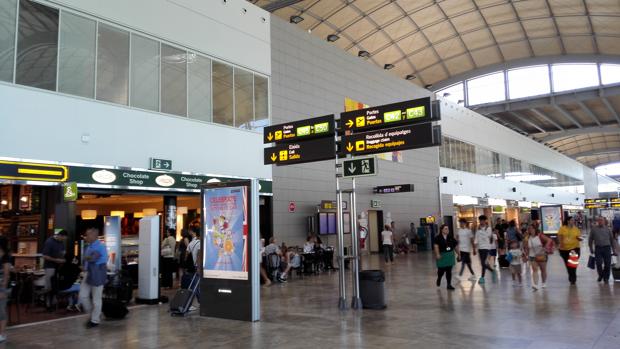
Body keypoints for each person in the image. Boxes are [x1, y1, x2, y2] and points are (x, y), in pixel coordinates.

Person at [79, 228, 108, 328]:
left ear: (94, 236)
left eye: (88, 235)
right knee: (82, 295)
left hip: (97, 274)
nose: (86, 237)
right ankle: (92, 314)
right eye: (86, 235)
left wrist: (88, 259)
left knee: (96, 298)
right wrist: (84, 266)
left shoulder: (100, 247)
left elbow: (95, 259)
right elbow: (88, 259)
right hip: (88, 273)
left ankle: (95, 320)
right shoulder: (89, 247)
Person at [42, 229, 68, 309]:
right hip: (50, 267)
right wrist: (56, 260)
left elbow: (63, 253)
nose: (63, 241)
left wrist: (64, 258)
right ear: (59, 235)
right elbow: (45, 256)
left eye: (64, 240)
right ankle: (48, 304)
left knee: (55, 286)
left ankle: (54, 303)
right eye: (62, 239)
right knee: (49, 286)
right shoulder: (49, 242)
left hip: (58, 268)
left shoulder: (61, 243)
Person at [523, 225, 553, 291]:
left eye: (531, 228)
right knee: (534, 270)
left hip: (541, 255)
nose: (530, 230)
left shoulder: (540, 236)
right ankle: (535, 284)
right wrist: (525, 255)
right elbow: (526, 247)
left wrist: (545, 247)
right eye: (529, 229)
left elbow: (549, 240)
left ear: (535, 229)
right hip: (532, 256)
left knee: (543, 269)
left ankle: (544, 282)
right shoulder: (527, 238)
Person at [588, 216, 615, 284]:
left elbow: (612, 240)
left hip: (607, 248)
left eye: (601, 220)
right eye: (599, 220)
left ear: (604, 221)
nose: (600, 222)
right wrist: (591, 248)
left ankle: (606, 277)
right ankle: (601, 275)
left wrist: (614, 250)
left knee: (607, 264)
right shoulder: (594, 229)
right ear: (597, 221)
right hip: (598, 248)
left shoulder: (608, 229)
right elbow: (590, 240)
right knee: (599, 263)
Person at [557, 216, 582, 285]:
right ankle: (571, 275)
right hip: (564, 250)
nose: (573, 221)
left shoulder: (576, 229)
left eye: (573, 220)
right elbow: (559, 236)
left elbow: (578, 237)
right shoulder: (562, 228)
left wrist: (580, 238)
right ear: (568, 221)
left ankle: (573, 278)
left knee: (573, 264)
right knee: (568, 264)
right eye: (572, 220)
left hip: (574, 248)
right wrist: (560, 244)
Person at [434, 224, 458, 290]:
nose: (447, 230)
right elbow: (436, 246)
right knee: (441, 271)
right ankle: (439, 278)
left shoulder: (450, 237)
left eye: (448, 228)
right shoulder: (437, 238)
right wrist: (437, 254)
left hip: (450, 255)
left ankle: (449, 285)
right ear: (442, 230)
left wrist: (459, 254)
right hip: (442, 255)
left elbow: (455, 246)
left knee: (449, 271)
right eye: (445, 228)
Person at [474, 215, 497, 284]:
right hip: (480, 247)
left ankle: (482, 277)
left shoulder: (488, 228)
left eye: (483, 220)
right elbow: (476, 238)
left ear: (485, 221)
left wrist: (483, 231)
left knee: (483, 263)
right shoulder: (477, 229)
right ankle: (492, 271)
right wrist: (474, 248)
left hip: (486, 247)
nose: (481, 222)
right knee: (482, 263)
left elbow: (489, 237)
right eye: (480, 220)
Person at [0, 237, 11, 343]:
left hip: (2, 288)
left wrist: (2, 290)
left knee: (1, 312)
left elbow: (6, 276)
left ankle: (2, 334)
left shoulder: (6, 258)